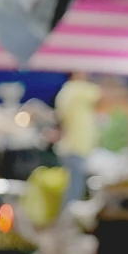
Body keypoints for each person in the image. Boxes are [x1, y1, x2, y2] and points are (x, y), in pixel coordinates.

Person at [54, 71, 103, 204]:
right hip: (76, 147)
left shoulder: (64, 93)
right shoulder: (76, 90)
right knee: (75, 189)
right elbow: (100, 94)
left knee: (74, 187)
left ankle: (66, 219)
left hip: (71, 146)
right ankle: (68, 220)